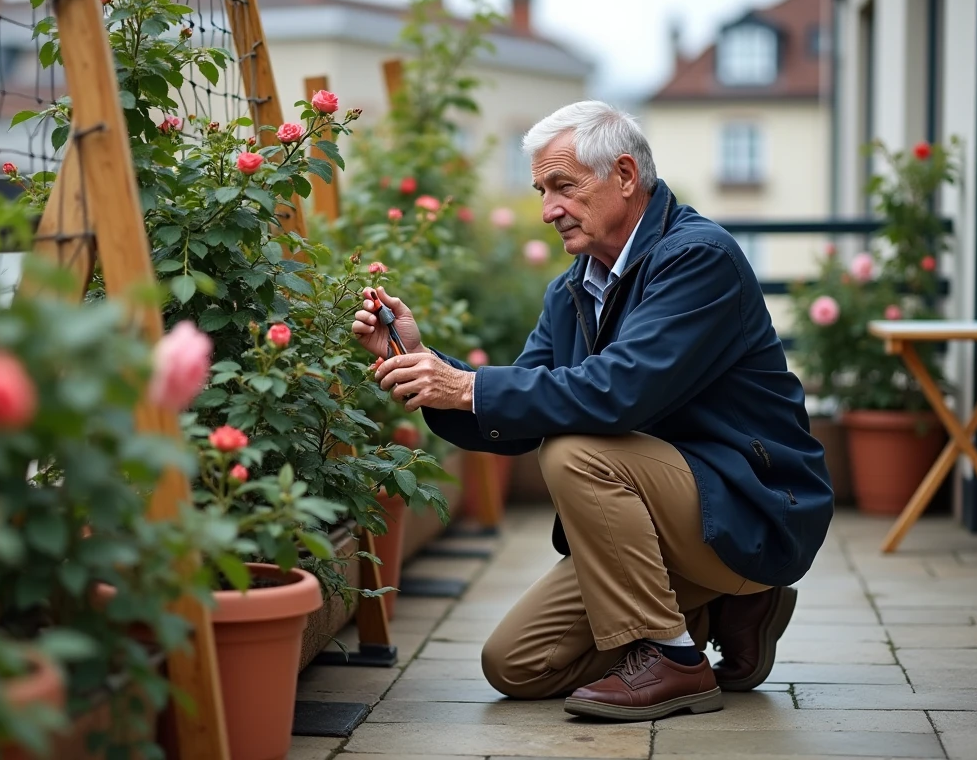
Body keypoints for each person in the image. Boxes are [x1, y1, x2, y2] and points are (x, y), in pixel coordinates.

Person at [351, 100, 834, 723]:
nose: (548, 208)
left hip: (752, 505)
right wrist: (424, 362)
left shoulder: (699, 258)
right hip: (666, 520)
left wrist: (466, 387)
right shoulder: (573, 286)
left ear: (626, 176)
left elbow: (619, 392)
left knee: (576, 450)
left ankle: (675, 660)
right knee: (517, 665)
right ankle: (716, 610)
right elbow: (523, 403)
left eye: (563, 186)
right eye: (541, 190)